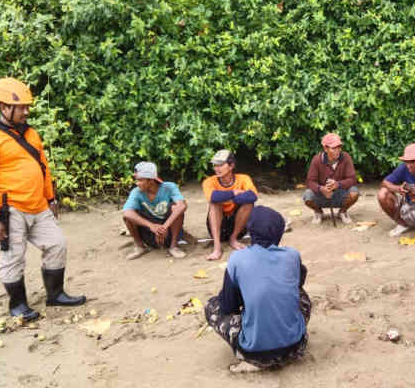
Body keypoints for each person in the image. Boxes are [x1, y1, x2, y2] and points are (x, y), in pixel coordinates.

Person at [0, 77, 86, 322]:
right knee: (13, 258)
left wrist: (51, 198)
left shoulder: (32, 134)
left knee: (57, 245)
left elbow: (43, 168)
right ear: (5, 108)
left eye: (27, 106)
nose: (26, 111)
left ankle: (55, 294)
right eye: (21, 107)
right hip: (11, 210)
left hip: (39, 206)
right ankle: (18, 305)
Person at [204, 205, 311, 373]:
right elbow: (298, 282)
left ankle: (251, 357)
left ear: (249, 231)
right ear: (280, 233)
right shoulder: (292, 255)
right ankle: (284, 340)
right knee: (301, 295)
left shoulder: (237, 259)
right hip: (296, 346)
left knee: (212, 306)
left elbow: (228, 307)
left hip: (254, 352)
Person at [122, 161, 188, 260]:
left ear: (151, 181)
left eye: (140, 180)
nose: (137, 183)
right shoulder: (136, 192)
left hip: (169, 232)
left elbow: (182, 205)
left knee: (176, 208)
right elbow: (127, 212)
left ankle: (173, 246)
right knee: (128, 217)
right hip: (149, 233)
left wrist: (164, 227)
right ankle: (140, 247)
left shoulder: (169, 187)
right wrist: (151, 226)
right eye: (136, 180)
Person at [202, 150, 258, 261]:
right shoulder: (209, 181)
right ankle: (217, 247)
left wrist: (225, 196)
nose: (216, 168)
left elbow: (253, 196)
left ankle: (233, 239)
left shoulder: (243, 178)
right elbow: (213, 197)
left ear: (231, 165)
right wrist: (234, 193)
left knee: (248, 203)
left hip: (238, 228)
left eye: (221, 165)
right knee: (214, 204)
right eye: (215, 165)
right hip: (219, 228)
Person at [302, 132, 359, 224]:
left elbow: (352, 179)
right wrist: (321, 189)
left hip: (340, 192)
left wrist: (338, 184)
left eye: (339, 147)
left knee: (354, 192)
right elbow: (310, 181)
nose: (337, 150)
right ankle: (318, 212)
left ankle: (342, 211)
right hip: (322, 194)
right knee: (307, 196)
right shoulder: (317, 160)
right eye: (333, 148)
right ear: (325, 148)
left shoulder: (346, 157)